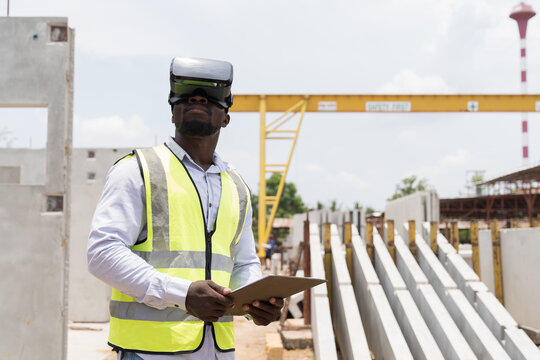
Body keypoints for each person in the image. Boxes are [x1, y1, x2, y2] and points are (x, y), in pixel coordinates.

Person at [87, 57, 283, 359]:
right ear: (172, 112)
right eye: (188, 95)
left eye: (209, 97)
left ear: (226, 117)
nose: (197, 99)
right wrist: (183, 294)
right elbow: (102, 253)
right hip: (149, 353)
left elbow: (243, 264)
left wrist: (255, 300)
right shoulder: (137, 170)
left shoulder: (237, 187)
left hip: (217, 351)